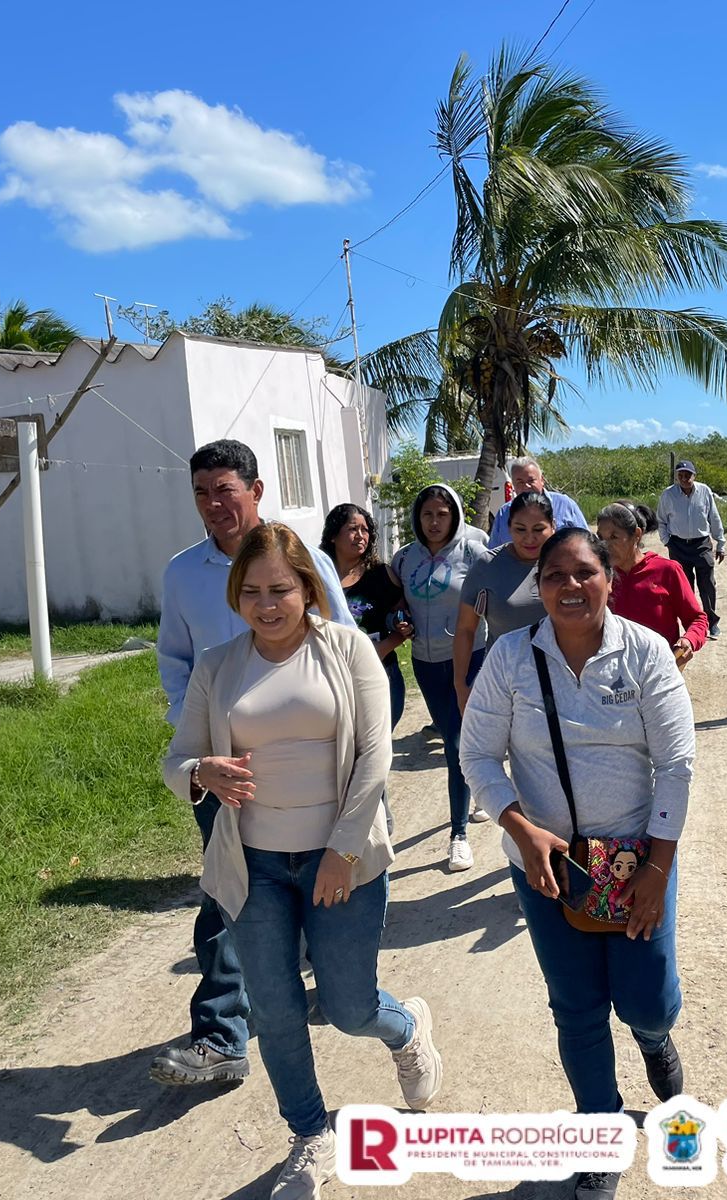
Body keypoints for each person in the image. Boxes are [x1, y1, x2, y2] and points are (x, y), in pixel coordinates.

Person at [163, 522, 443, 1200]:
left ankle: (405, 1030)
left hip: (340, 858)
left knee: (347, 1008)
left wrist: (343, 852)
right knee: (277, 1010)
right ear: (237, 594)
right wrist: (203, 769)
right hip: (255, 865)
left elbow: (376, 758)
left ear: (307, 589)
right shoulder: (218, 666)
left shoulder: (347, 651)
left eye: (281, 590)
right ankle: (310, 1134)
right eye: (253, 591)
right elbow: (176, 761)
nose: (267, 604)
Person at [460, 528, 696, 1200]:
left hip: (635, 860)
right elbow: (477, 754)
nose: (570, 586)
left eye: (584, 572)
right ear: (538, 588)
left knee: (646, 999)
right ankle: (599, 1130)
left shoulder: (645, 653)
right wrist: (518, 827)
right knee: (577, 1007)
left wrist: (655, 869)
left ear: (608, 578)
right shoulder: (509, 659)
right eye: (555, 575)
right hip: (549, 867)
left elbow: (677, 763)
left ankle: (654, 1037)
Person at [152, 438, 352, 1089]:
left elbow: (344, 650)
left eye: (226, 491)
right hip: (222, 771)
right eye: (203, 494)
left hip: (304, 764)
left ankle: (315, 984)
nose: (215, 506)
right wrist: (202, 734)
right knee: (226, 888)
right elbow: (176, 661)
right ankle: (222, 1034)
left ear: (256, 491)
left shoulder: (304, 559)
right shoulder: (183, 574)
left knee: (304, 884)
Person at [388, 483, 488, 873]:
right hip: (425, 664)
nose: (434, 522)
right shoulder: (404, 559)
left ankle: (458, 835)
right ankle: (478, 789)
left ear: (455, 515)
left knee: (458, 741)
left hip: (470, 658)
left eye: (442, 514)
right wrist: (396, 618)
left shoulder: (475, 553)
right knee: (455, 737)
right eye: (427, 514)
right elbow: (394, 601)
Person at [454, 490, 556, 714]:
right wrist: (461, 686)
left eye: (539, 529)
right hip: (505, 683)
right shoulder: (487, 566)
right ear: (509, 527)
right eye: (520, 529)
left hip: (562, 681)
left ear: (553, 526)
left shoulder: (566, 564)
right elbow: (465, 629)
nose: (529, 538)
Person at [321, 503, 412, 729]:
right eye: (353, 529)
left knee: (375, 752)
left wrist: (382, 647)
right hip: (333, 679)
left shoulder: (381, 575)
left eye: (365, 530)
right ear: (333, 535)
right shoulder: (318, 577)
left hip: (380, 673)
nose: (360, 536)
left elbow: (405, 622)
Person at [597, 501, 708, 671]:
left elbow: (697, 619)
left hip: (660, 671)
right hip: (614, 674)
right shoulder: (599, 576)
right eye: (601, 538)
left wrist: (688, 641)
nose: (605, 546)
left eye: (614, 537)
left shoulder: (667, 571)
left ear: (636, 534)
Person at [656, 461, 726, 640]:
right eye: (680, 475)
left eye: (688, 475)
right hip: (678, 545)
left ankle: (712, 622)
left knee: (707, 584)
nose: (684, 478)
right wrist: (667, 542)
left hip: (701, 544)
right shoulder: (668, 494)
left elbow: (714, 518)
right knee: (684, 587)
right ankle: (692, 626)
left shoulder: (704, 491)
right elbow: (661, 521)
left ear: (694, 475)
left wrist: (721, 542)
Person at [486, 455, 587, 548]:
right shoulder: (504, 514)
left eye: (531, 481)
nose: (526, 486)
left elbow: (586, 541)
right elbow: (493, 551)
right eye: (520, 482)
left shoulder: (564, 505)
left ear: (542, 480)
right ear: (513, 485)